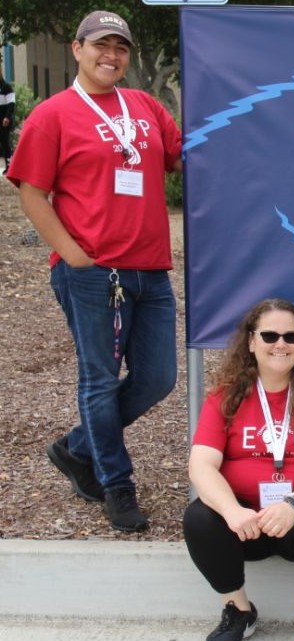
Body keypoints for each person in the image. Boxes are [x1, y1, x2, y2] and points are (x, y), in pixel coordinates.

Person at [5, 10, 183, 531]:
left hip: (150, 270)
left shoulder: (145, 106)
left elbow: (182, 157)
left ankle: (76, 448)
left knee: (157, 377)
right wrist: (73, 253)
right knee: (100, 381)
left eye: (120, 48)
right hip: (91, 272)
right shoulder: (53, 115)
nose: (112, 56)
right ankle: (116, 483)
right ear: (77, 47)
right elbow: (31, 193)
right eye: (101, 45)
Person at [183, 298, 294, 641]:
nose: (281, 344)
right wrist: (232, 511)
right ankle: (238, 611)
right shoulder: (227, 394)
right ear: (251, 341)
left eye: (291, 336)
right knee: (199, 516)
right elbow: (201, 465)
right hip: (245, 524)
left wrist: (293, 504)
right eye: (270, 335)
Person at [0, 73, 13, 174]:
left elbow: (11, 103)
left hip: (4, 120)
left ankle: (10, 165)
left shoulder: (6, 87)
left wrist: (7, 117)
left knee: (4, 142)